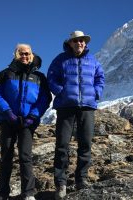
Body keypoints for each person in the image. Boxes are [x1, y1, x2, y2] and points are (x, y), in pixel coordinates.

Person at [0, 44, 52, 200]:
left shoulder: (39, 78)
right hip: (8, 120)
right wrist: (7, 113)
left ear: (32, 55)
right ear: (16, 55)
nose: (25, 56)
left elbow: (45, 98)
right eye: (21, 53)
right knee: (6, 156)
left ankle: (29, 193)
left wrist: (33, 116)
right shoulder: (5, 74)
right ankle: (2, 194)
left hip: (27, 122)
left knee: (25, 155)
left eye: (28, 53)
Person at [47, 30, 105, 199]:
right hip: (66, 107)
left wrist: (96, 93)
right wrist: (61, 91)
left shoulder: (93, 60)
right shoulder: (60, 59)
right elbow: (51, 77)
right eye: (76, 41)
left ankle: (82, 179)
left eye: (82, 41)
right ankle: (61, 183)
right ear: (70, 43)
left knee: (85, 144)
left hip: (87, 107)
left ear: (85, 43)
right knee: (62, 145)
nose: (79, 43)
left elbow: (100, 78)